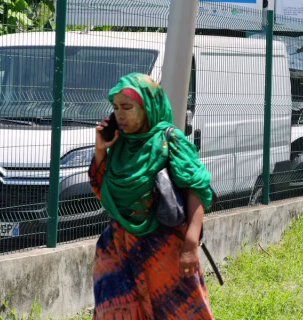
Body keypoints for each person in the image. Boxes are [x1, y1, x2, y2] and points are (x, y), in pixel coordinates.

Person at [91, 73, 213, 319]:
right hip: (117, 245)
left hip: (164, 246)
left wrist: (190, 244)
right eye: (115, 108)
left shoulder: (170, 141)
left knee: (174, 310)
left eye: (127, 107)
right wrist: (100, 149)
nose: (120, 115)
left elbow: (196, 189)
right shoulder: (118, 145)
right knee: (113, 307)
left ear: (148, 107)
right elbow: (102, 192)